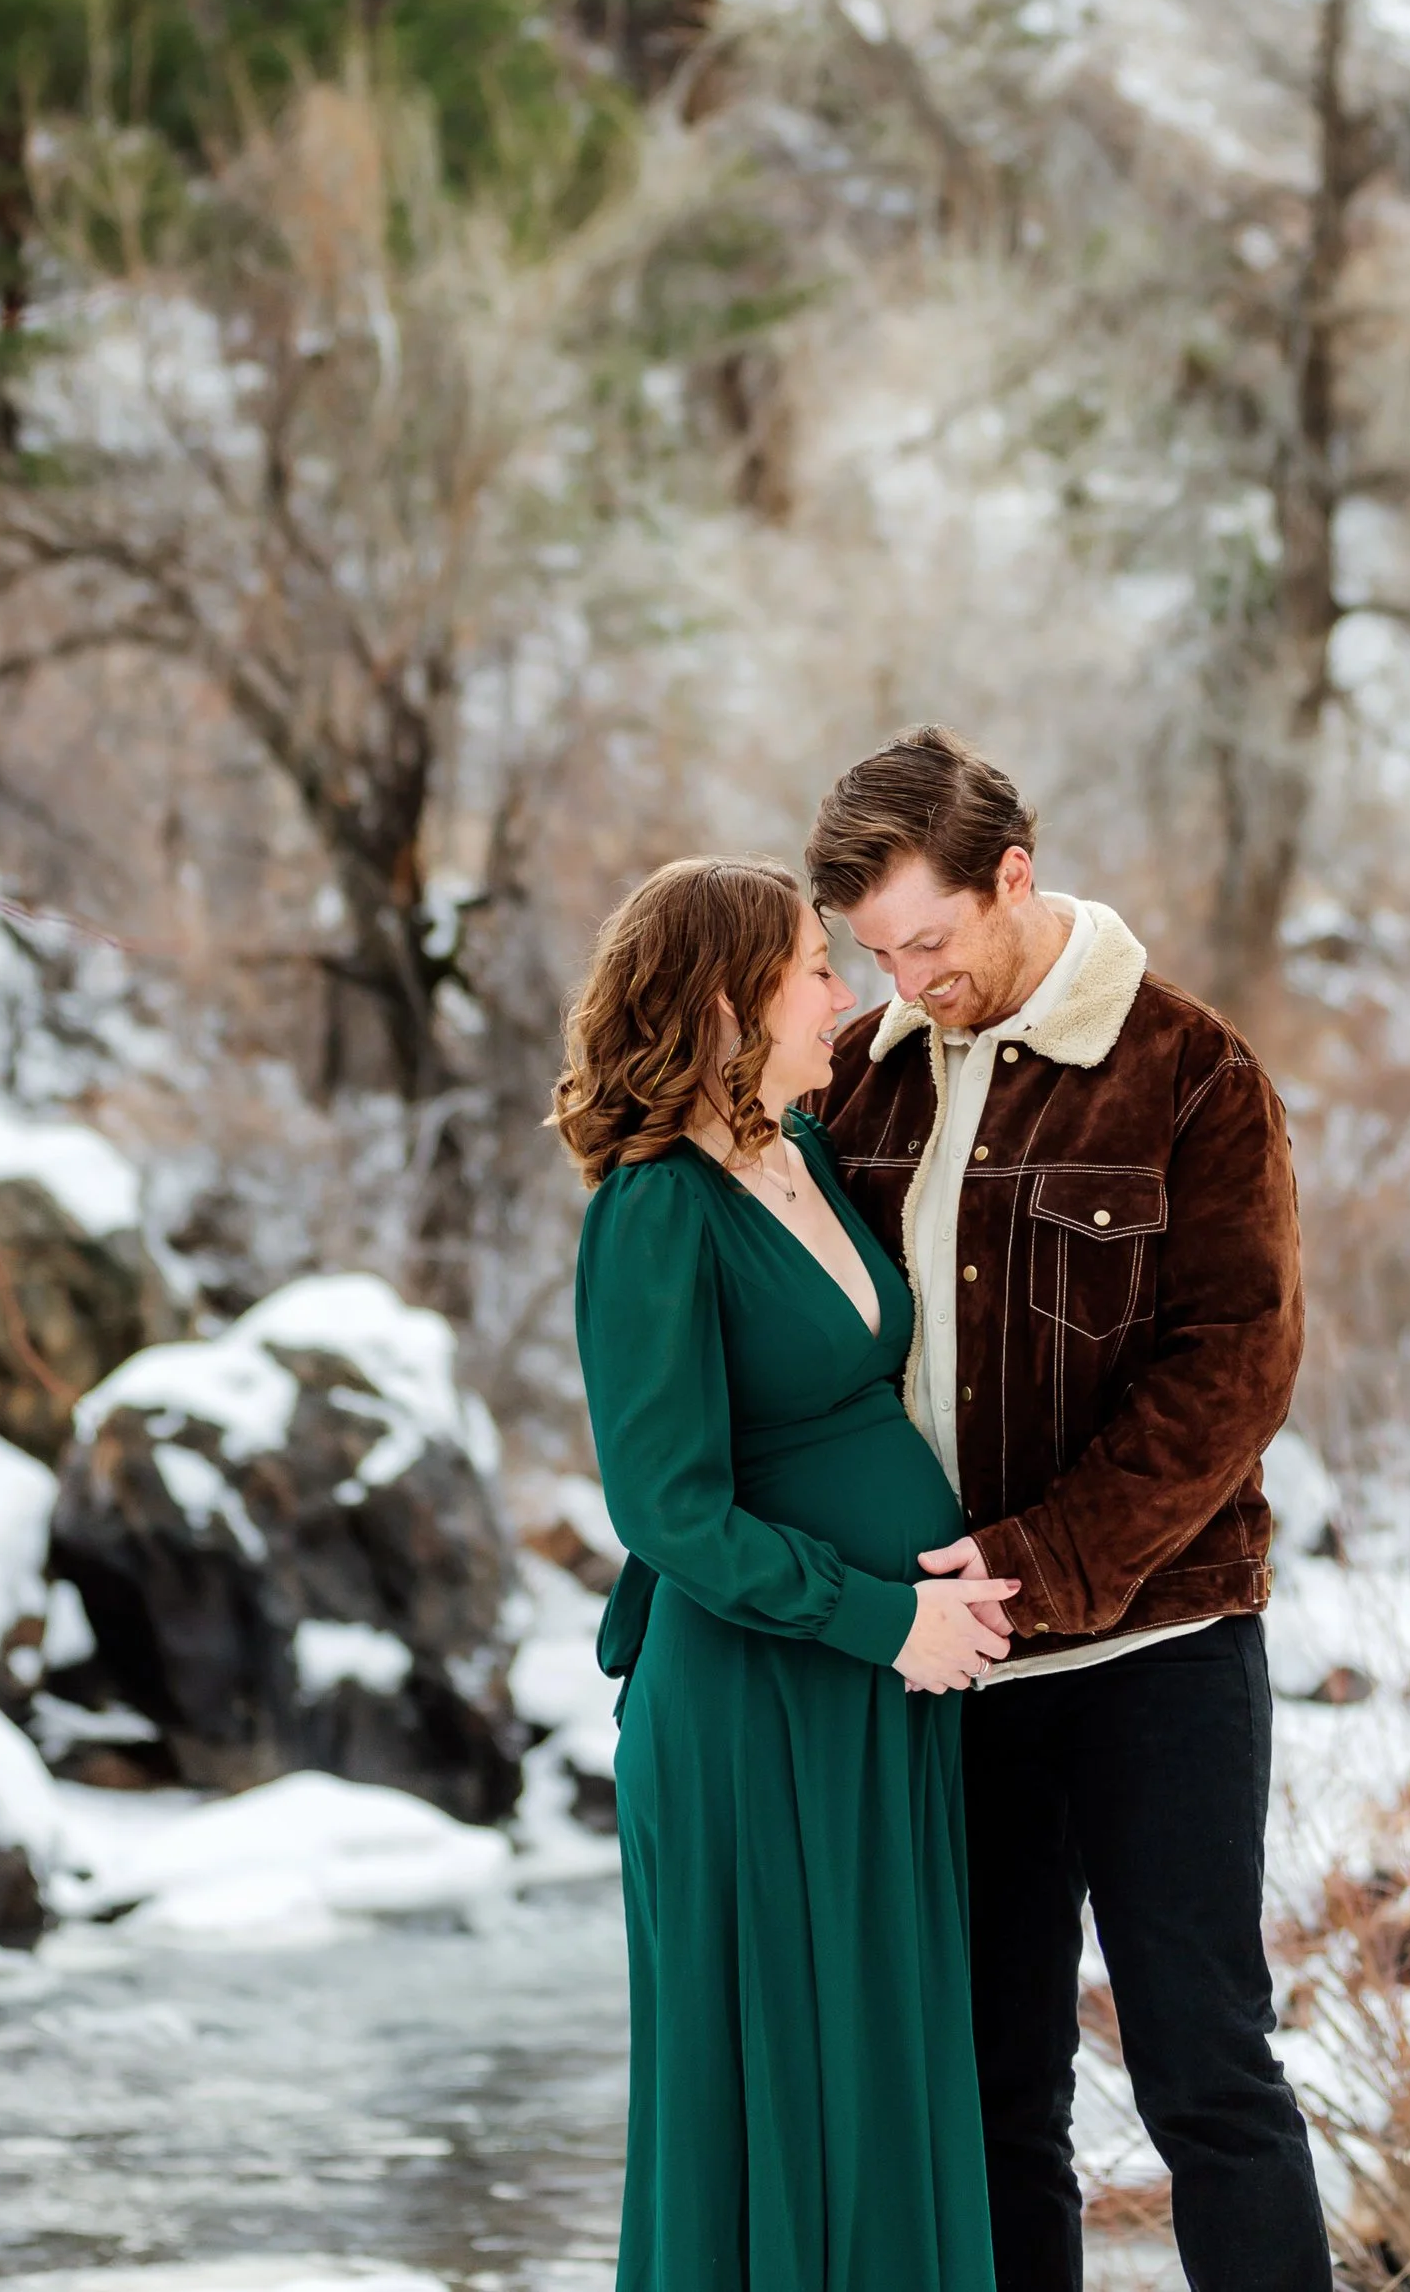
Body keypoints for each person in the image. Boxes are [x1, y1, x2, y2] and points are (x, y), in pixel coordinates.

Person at [808, 727, 1333, 2292]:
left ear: (1011, 877)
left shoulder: (1192, 1069)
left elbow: (1237, 1364)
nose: (908, 977)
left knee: (1209, 2080)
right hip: (944, 1677)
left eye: (931, 937)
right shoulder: (858, 1081)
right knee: (990, 2098)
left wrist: (1042, 1565)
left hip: (1159, 1656)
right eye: (874, 951)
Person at [557, 855, 1017, 2292]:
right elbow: (668, 1509)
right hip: (763, 1706)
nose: (846, 992)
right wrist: (886, 1619)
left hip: (871, 1699)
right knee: (772, 2095)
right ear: (725, 1004)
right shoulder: (652, 1208)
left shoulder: (800, 1147)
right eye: (816, 969)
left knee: (884, 2078)